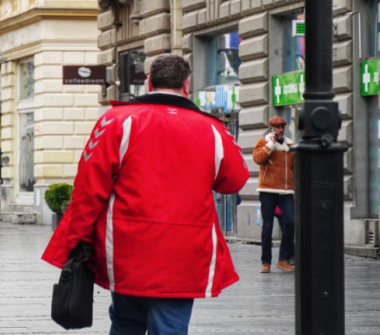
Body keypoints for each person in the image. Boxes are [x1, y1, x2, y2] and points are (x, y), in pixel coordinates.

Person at [42, 54, 249, 335]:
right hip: (184, 252)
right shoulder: (214, 130)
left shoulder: (116, 121)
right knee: (171, 328)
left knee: (126, 323)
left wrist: (76, 239)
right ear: (186, 85)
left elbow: (89, 189)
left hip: (128, 248)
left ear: (149, 82)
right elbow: (233, 181)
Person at [253, 116, 296, 274]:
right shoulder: (263, 142)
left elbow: (295, 169)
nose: (281, 129)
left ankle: (283, 259)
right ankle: (266, 262)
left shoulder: (290, 145)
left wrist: (295, 189)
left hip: (286, 191)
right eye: (277, 127)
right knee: (268, 226)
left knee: (290, 222)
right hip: (267, 190)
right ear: (271, 128)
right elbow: (258, 159)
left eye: (282, 126)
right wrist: (270, 144)